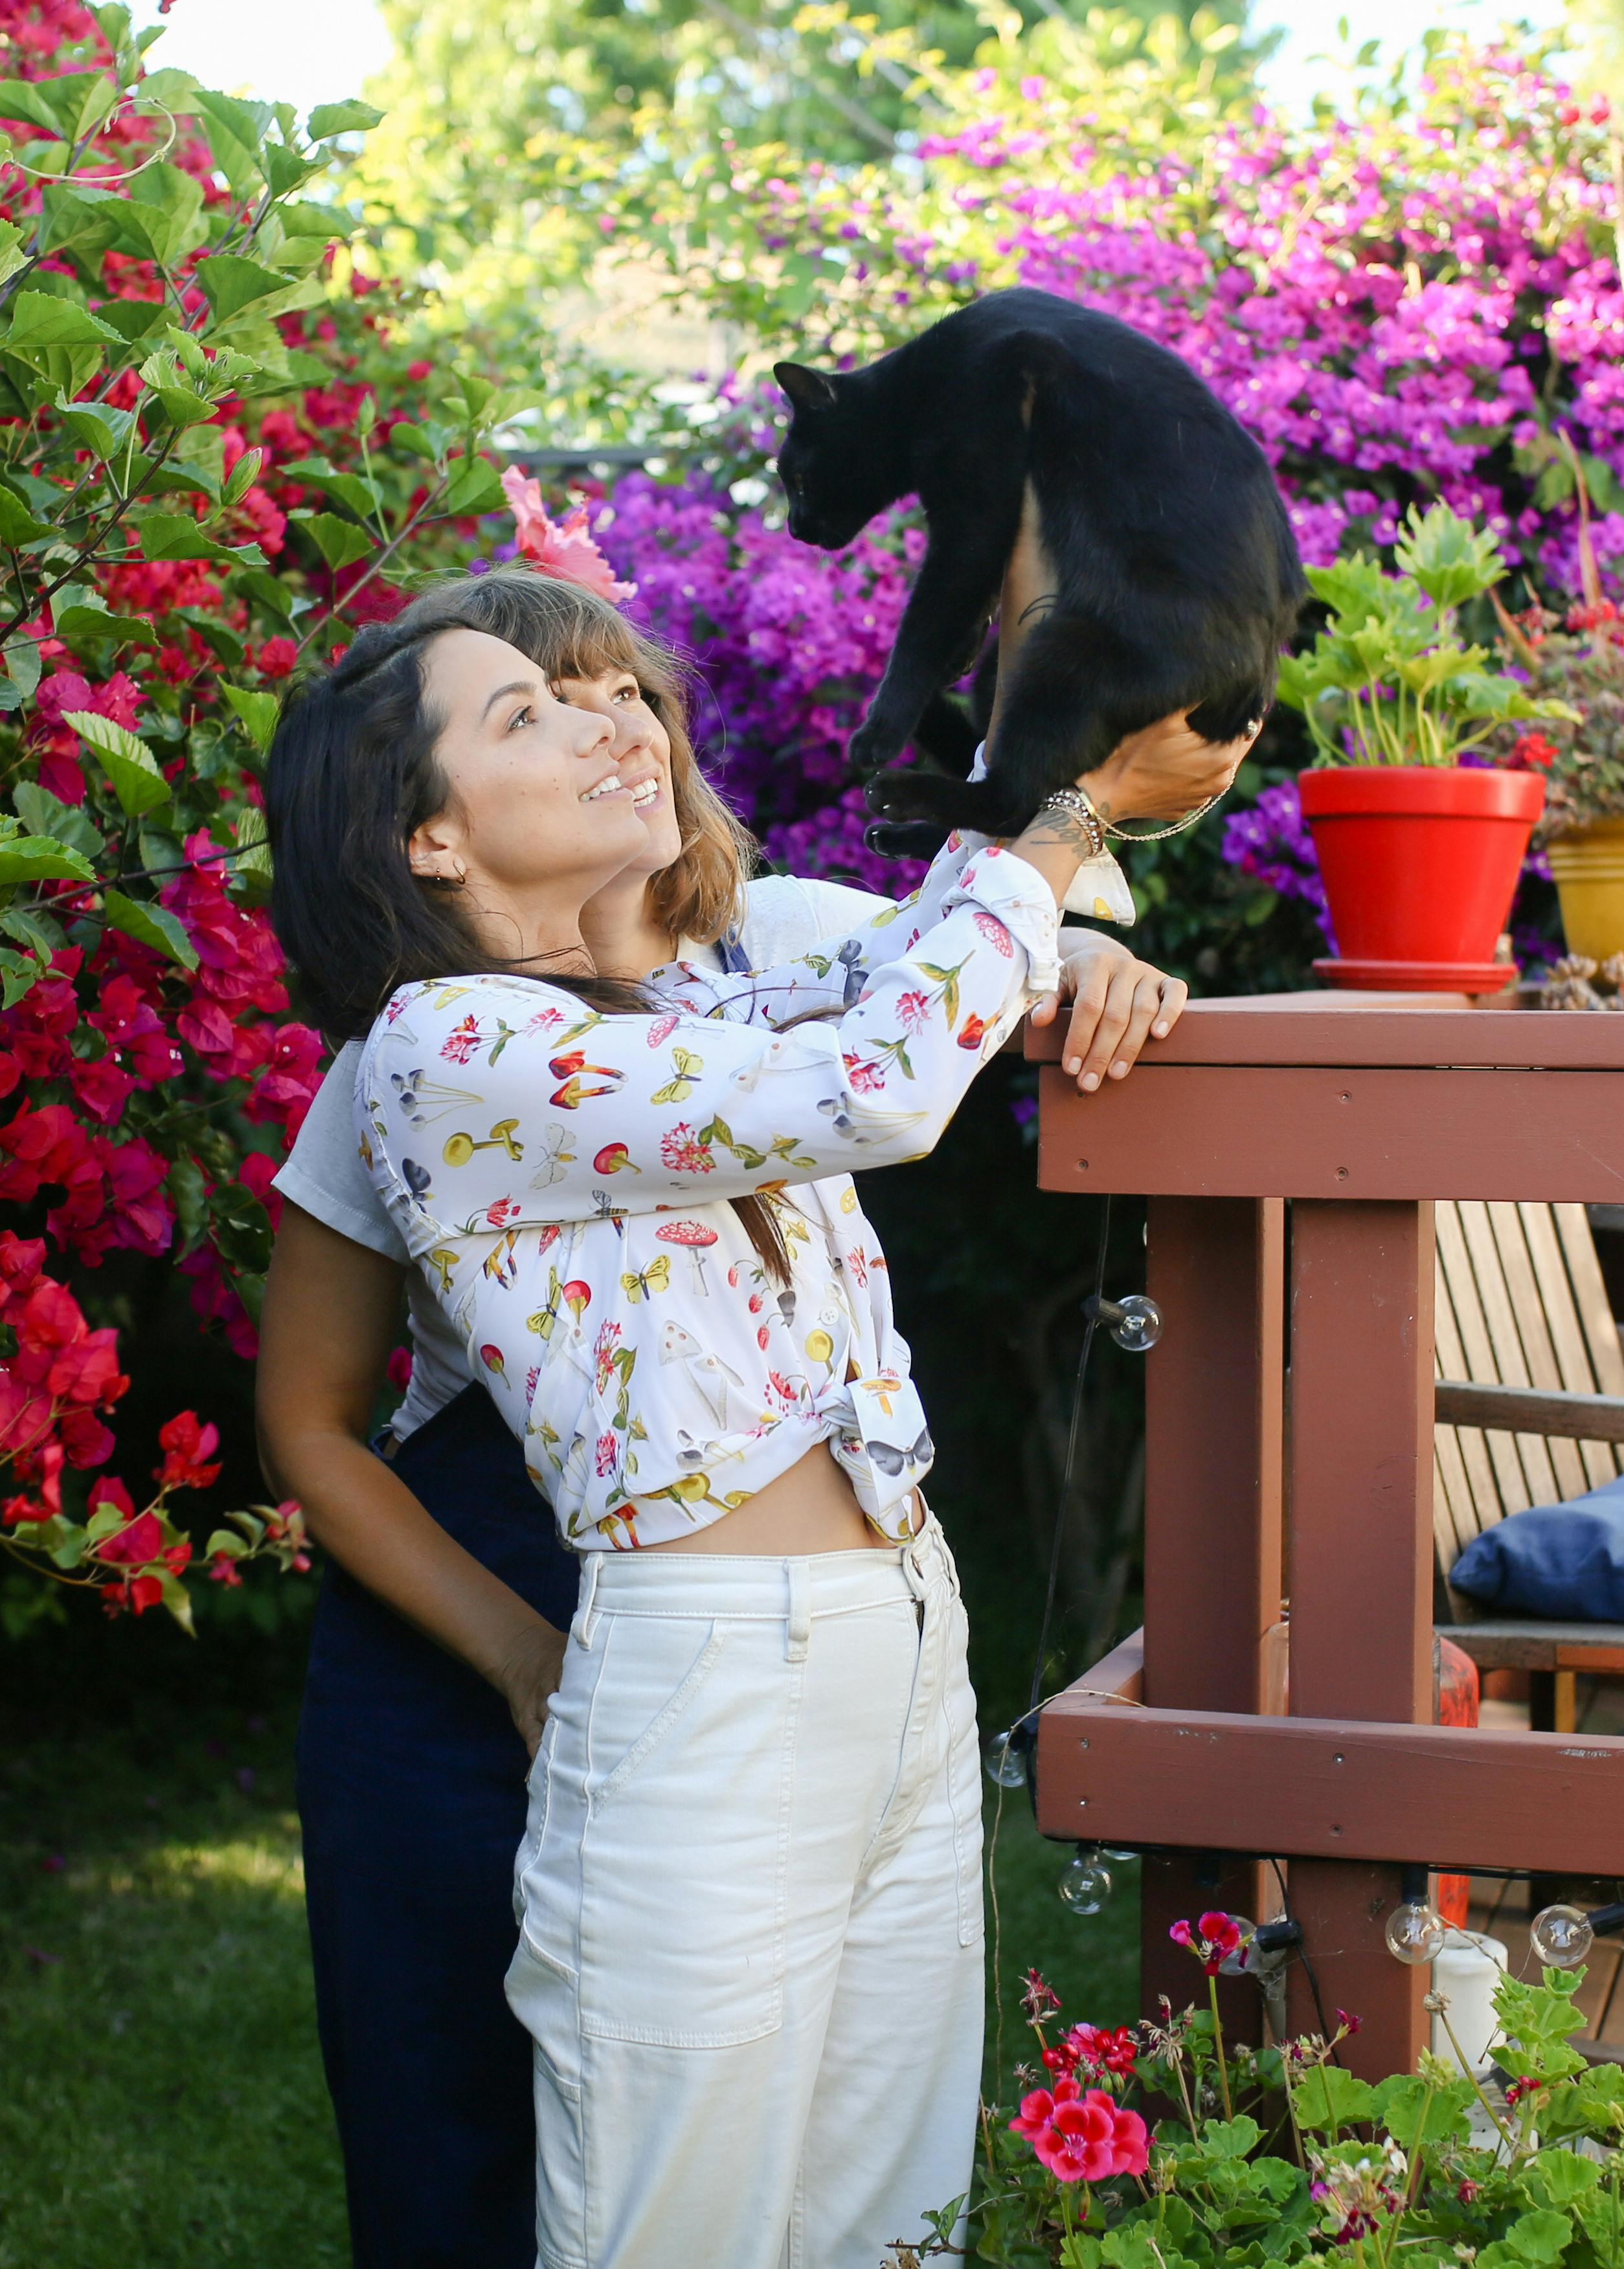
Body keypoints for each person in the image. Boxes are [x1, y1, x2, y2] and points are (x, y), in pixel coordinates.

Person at [265, 591, 1252, 2268]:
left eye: (615, 698)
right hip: (711, 1671)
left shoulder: (705, 988)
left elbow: (926, 970)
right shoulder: (448, 1047)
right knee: (684, 2227)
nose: (610, 721)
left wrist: (1058, 830)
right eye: (525, 716)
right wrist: (1068, 818)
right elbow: (878, 1079)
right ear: (427, 837)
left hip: (901, 1630)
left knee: (889, 2227)